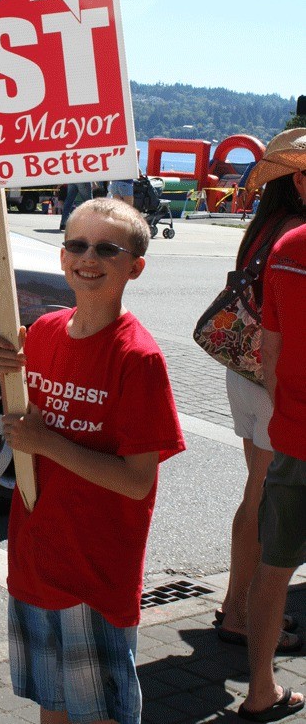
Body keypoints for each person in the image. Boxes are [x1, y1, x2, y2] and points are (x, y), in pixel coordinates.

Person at [0, 198, 185, 724]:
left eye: (106, 248)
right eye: (76, 244)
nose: (87, 257)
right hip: (36, 557)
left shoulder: (138, 358)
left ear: (135, 267)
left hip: (94, 575)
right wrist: (4, 371)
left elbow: (137, 482)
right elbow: (25, 415)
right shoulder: (44, 332)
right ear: (61, 256)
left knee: (98, 715)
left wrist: (48, 442)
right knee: (52, 706)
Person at [217, 129, 306, 654]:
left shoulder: (264, 224)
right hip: (278, 381)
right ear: (297, 180)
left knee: (255, 491)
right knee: (267, 498)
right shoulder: (297, 232)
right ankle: (247, 614)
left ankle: (237, 606)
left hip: (244, 371)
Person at [237, 214, 306, 722]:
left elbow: (272, 355)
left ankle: (259, 690)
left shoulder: (289, 247)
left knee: (274, 568)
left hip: (296, 438)